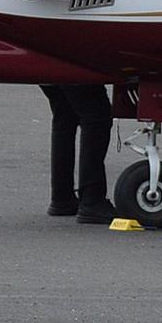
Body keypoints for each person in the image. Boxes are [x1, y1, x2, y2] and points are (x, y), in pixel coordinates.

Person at [41, 84, 115, 223]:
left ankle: (62, 197)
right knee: (96, 114)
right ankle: (92, 200)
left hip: (42, 64)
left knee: (65, 112)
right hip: (68, 65)